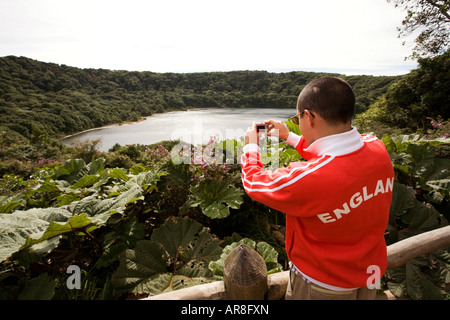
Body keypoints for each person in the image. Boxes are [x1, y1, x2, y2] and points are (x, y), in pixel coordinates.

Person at [241, 76, 395, 300]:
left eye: (298, 117)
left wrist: (251, 146)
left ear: (309, 116)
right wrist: (291, 136)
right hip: (369, 275)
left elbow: (255, 183)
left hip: (323, 285)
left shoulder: (310, 179)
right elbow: (337, 154)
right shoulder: (377, 149)